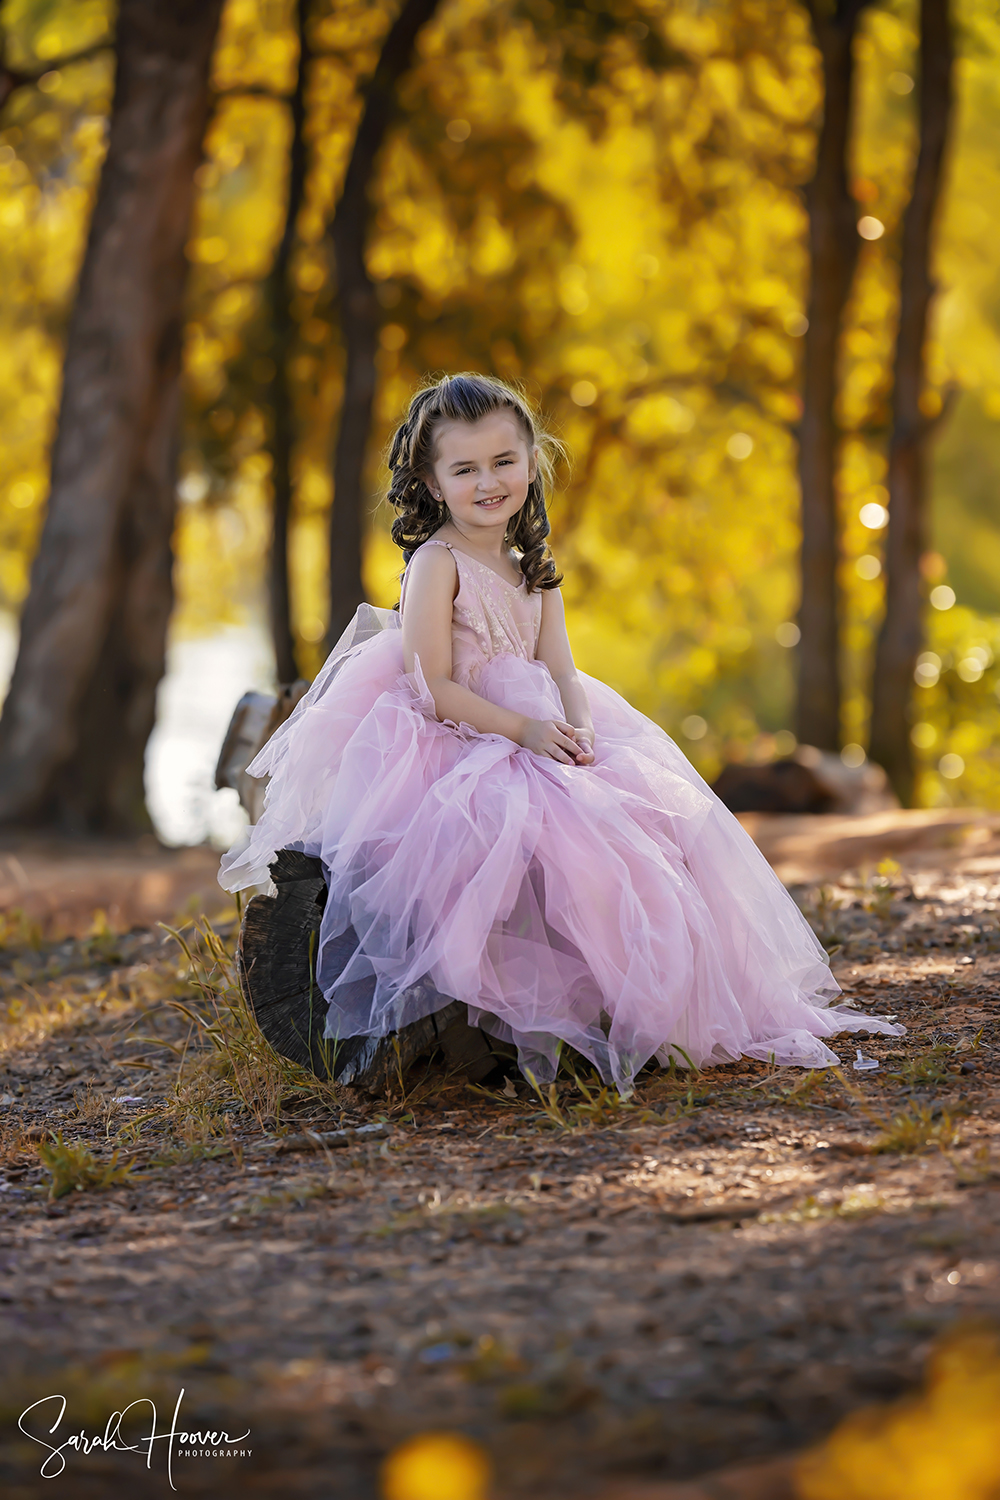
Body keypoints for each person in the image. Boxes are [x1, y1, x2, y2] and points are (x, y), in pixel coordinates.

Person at [219, 373, 903, 1091]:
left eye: (504, 461)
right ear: (431, 480)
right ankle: (510, 1020)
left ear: (531, 460)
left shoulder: (532, 567)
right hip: (460, 734)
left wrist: (579, 733)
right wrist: (523, 730)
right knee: (514, 837)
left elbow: (564, 671)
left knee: (647, 833)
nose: (489, 482)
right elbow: (431, 685)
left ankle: (635, 1011)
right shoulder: (435, 564)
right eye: (465, 469)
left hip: (543, 724)